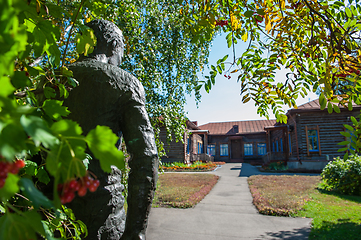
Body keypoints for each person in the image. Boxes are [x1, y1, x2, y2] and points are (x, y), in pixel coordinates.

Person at [64, 19, 158, 240]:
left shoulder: (51, 81)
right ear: (114, 45)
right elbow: (146, 158)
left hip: (49, 216)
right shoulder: (125, 83)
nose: (122, 58)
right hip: (104, 218)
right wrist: (136, 232)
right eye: (122, 50)